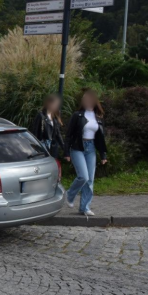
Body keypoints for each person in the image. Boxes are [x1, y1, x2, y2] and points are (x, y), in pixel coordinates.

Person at [64, 89, 108, 217]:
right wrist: (66, 152)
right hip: (78, 147)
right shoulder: (77, 115)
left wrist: (103, 155)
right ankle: (70, 194)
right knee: (83, 176)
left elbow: (101, 138)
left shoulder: (98, 117)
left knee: (90, 180)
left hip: (91, 148)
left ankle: (84, 207)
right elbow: (69, 135)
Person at [29, 93, 64, 159]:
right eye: (55, 104)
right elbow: (35, 132)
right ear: (49, 103)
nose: (56, 106)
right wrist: (36, 147)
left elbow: (58, 134)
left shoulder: (54, 117)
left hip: (51, 145)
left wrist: (64, 148)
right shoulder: (41, 116)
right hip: (42, 143)